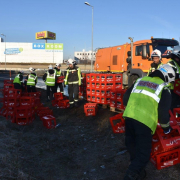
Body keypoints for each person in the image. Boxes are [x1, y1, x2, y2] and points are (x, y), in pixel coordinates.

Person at [122, 64, 175, 180]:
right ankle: (130, 175)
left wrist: (133, 110)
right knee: (144, 154)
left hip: (129, 118)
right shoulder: (163, 88)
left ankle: (138, 173)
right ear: (167, 77)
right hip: (144, 122)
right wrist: (167, 128)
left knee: (132, 146)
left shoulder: (140, 80)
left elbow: (125, 98)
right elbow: (163, 113)